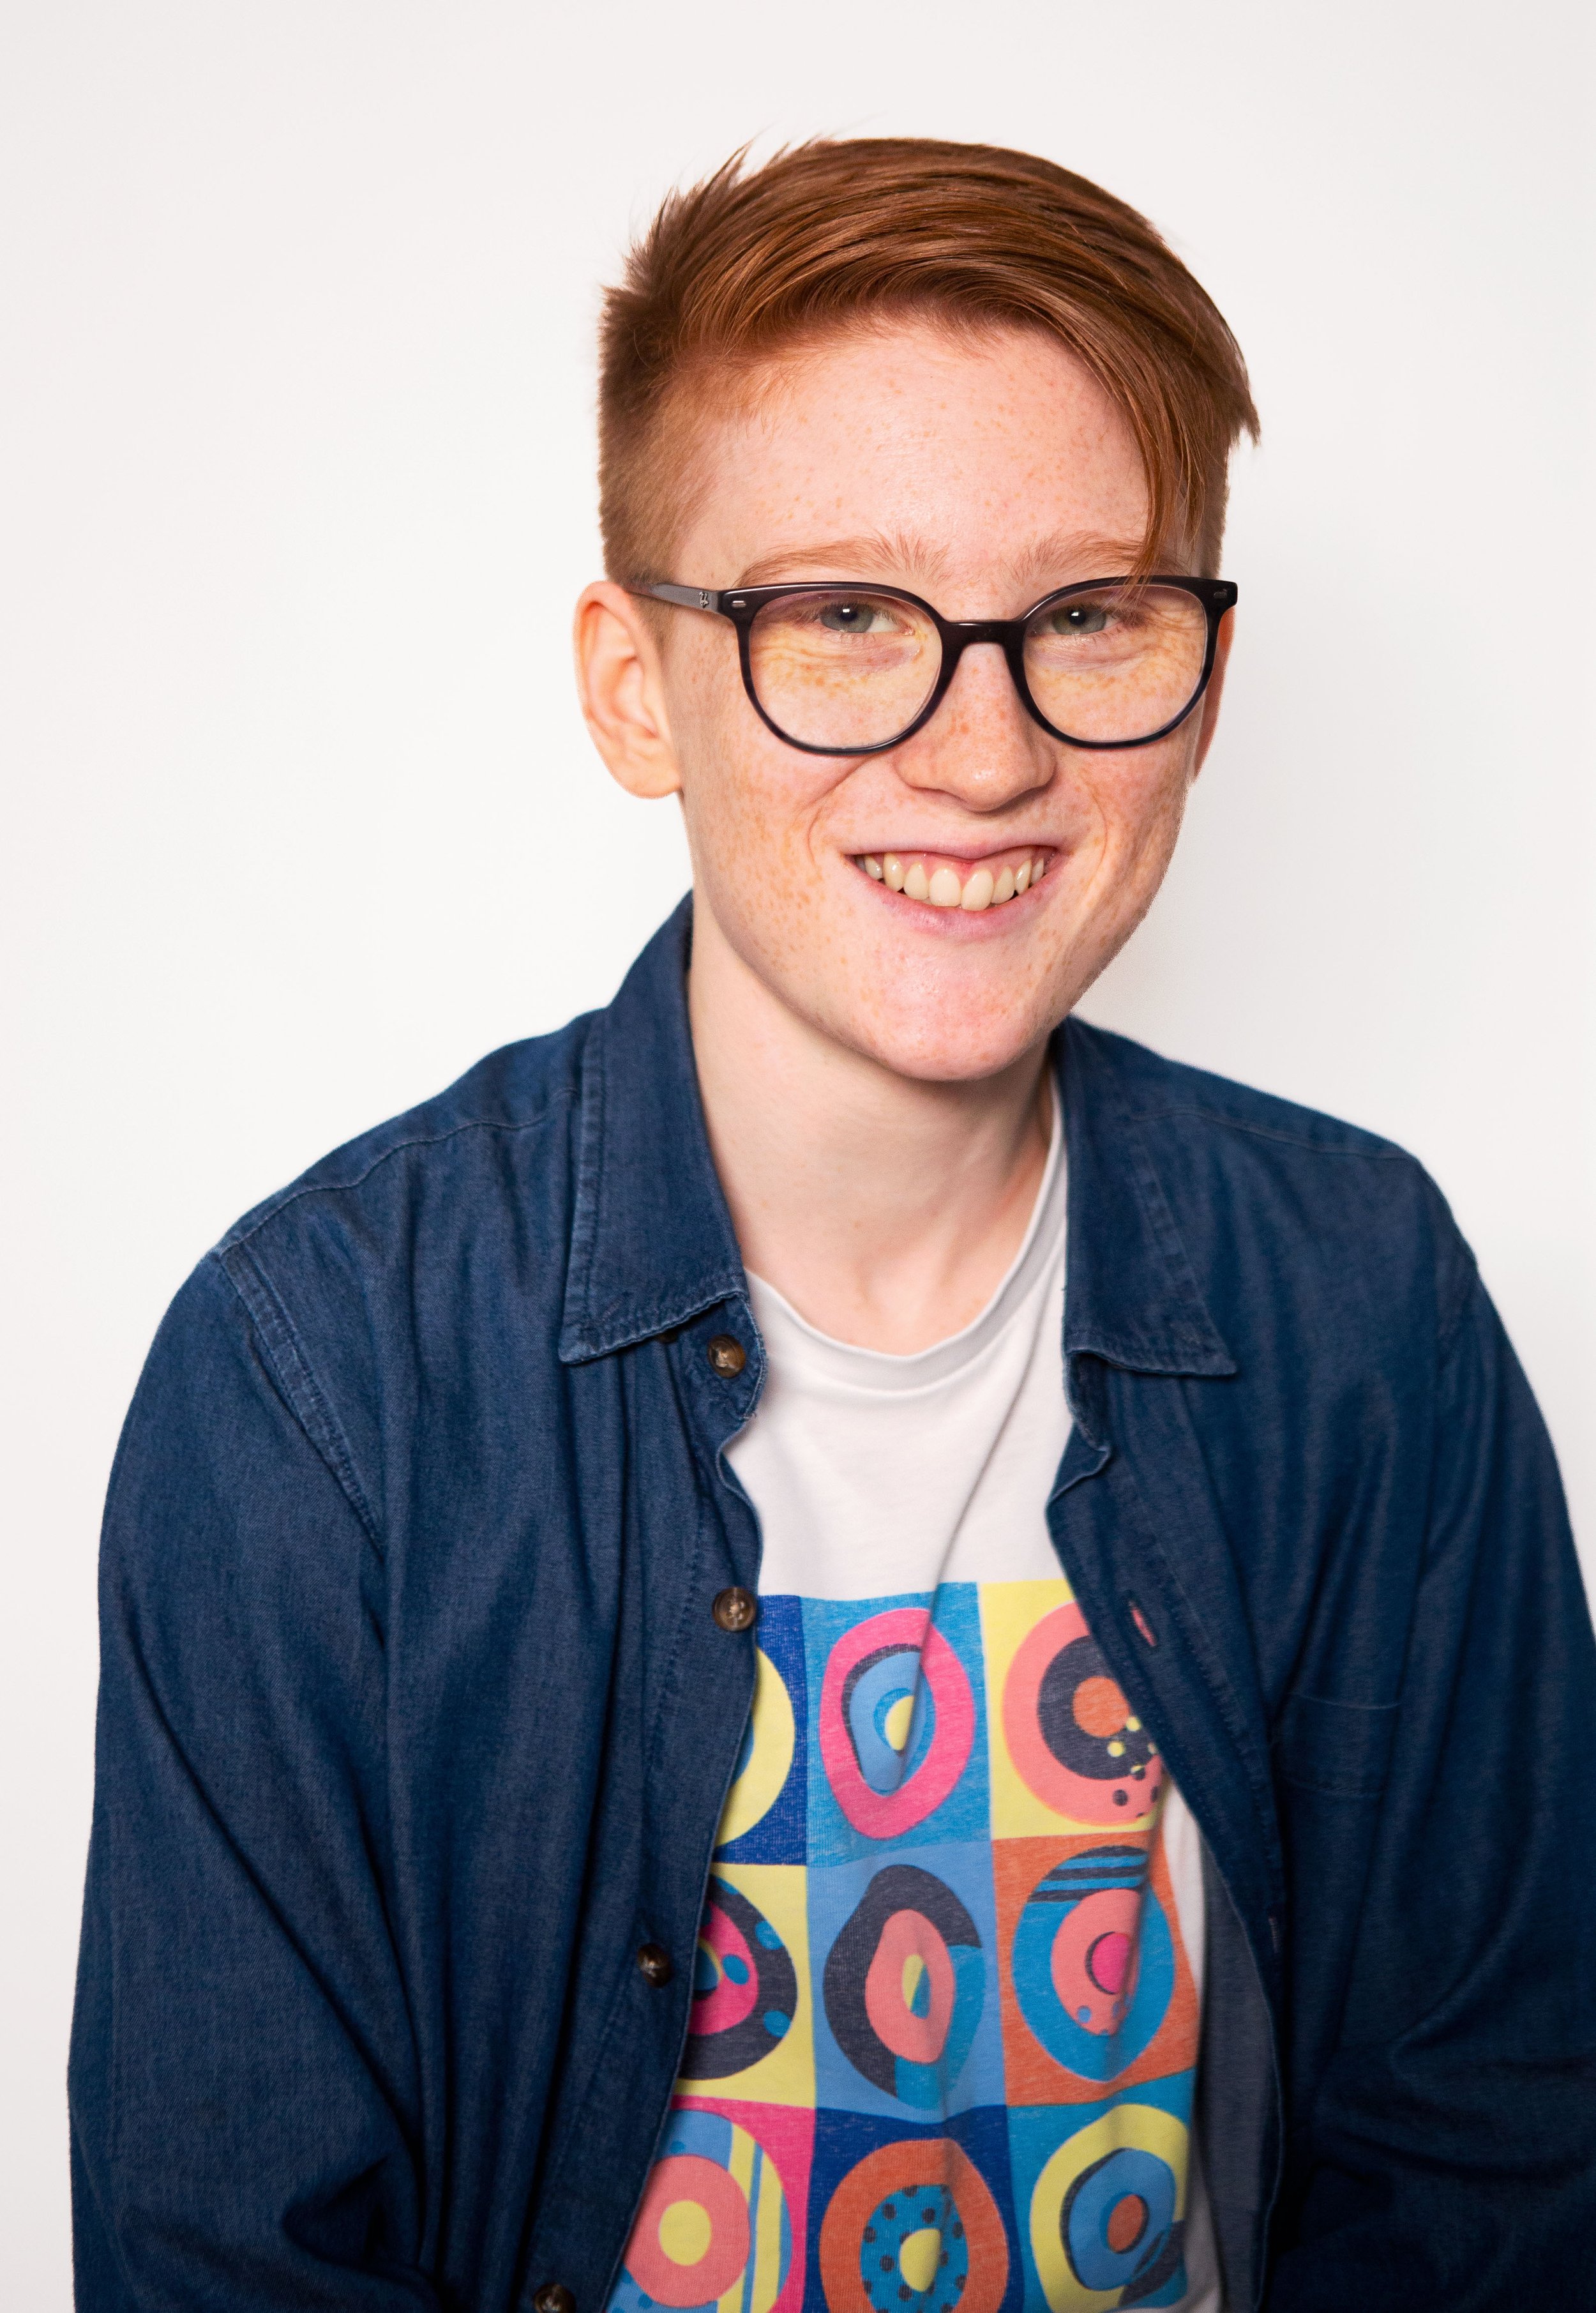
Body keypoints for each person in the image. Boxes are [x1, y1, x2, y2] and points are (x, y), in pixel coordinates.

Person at [68, 139, 1594, 2313]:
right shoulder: (321, 1378)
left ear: (1203, 674)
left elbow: (1493, 2165)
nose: (980, 754)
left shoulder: (1365, 1307)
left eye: (1086, 617)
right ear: (629, 686)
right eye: (844, 620)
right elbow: (228, 2254)